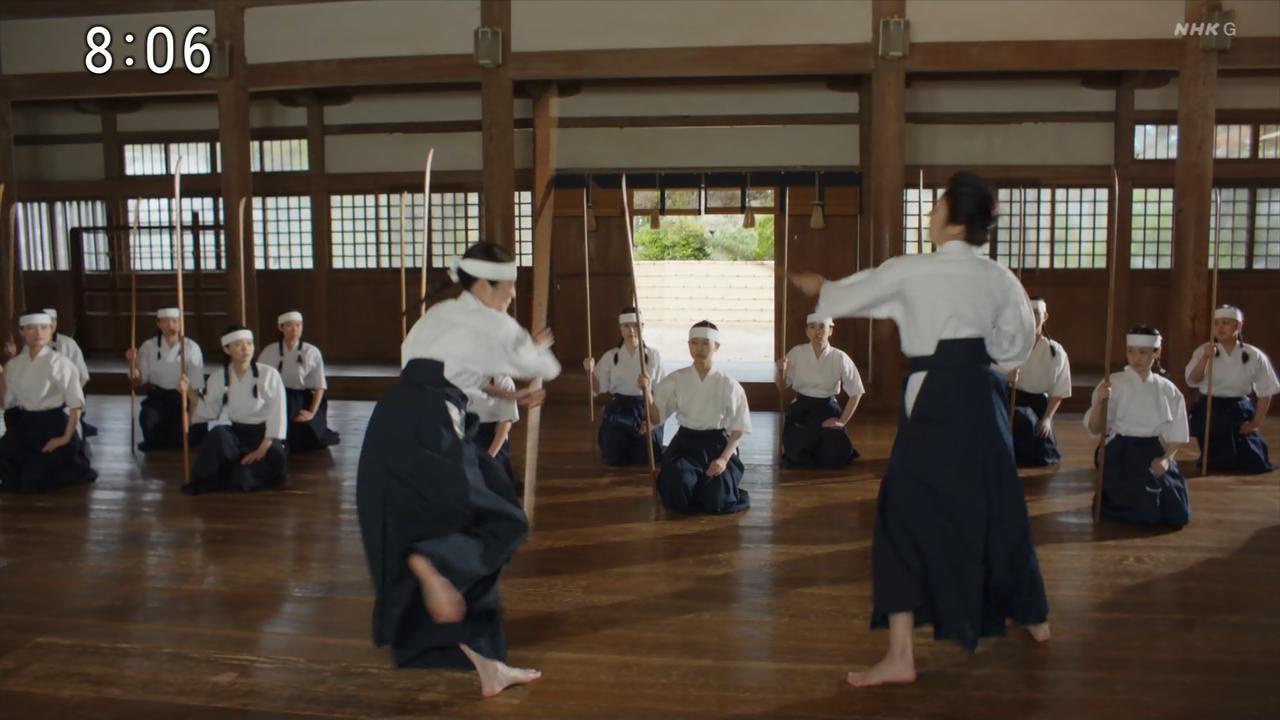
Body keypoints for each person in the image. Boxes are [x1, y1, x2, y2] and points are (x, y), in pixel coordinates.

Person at [792, 170, 1050, 687]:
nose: (931, 213)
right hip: (982, 394)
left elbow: (852, 295)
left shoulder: (912, 270)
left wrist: (823, 290)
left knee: (903, 515)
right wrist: (982, 359)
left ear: (954, 223)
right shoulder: (1001, 277)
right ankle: (1033, 616)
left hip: (933, 394)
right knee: (997, 503)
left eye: (938, 206)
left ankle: (900, 655)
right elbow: (1016, 344)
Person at [358, 242, 559, 697]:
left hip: (390, 424)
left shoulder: (437, 315)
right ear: (484, 285)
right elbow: (544, 367)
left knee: (450, 526)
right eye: (508, 288)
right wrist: (535, 347)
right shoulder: (495, 322)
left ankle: (489, 665)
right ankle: (434, 561)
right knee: (503, 520)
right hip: (433, 428)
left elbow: (441, 372)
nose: (512, 296)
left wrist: (508, 396)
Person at [640, 320, 751, 515]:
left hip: (716, 444)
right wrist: (647, 390)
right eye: (694, 343)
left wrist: (723, 459)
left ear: (716, 346)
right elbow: (656, 418)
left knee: (718, 499)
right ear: (688, 345)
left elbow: (739, 428)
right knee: (677, 486)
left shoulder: (728, 383)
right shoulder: (676, 379)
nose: (699, 349)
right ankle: (669, 477)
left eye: (705, 343)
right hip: (685, 443)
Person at [1085, 326, 1190, 527]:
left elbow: (1178, 431)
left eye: (1143, 352)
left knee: (1177, 510)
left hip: (1154, 449)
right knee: (1140, 504)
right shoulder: (1112, 383)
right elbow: (1095, 428)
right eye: (1131, 351)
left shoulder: (1167, 389)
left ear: (1157, 352)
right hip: (1121, 450)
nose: (1136, 358)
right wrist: (1099, 402)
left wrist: (1166, 460)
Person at [178, 325, 288, 495]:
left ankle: (240, 470)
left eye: (249, 343)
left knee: (242, 479)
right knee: (218, 434)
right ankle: (208, 478)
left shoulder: (269, 374)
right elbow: (210, 411)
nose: (246, 349)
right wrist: (189, 392)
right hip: (237, 435)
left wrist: (263, 447)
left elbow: (278, 413)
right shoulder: (218, 377)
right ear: (226, 349)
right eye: (239, 344)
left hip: (265, 437)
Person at [0, 311, 97, 492]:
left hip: (54, 425)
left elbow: (76, 405)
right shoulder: (14, 365)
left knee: (32, 480)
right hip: (26, 423)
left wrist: (64, 438)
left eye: (44, 328)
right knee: (6, 460)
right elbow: (8, 404)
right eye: (31, 328)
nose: (38, 333)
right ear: (22, 331)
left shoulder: (61, 363)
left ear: (51, 329)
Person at [1185, 305, 1277, 474]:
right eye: (1216, 323)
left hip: (1239, 410)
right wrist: (1205, 357)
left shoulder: (1254, 354)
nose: (1220, 328)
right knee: (1216, 462)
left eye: (1225, 323)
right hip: (1211, 409)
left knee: (1254, 461)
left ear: (1238, 326)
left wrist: (1255, 423)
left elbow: (1266, 390)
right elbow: (1193, 380)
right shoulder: (1204, 350)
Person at [776, 313, 864, 469]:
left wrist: (842, 421)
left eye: (822, 327)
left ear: (830, 331)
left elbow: (856, 390)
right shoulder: (796, 353)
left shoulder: (839, 357)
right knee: (797, 449)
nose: (817, 331)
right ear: (807, 331)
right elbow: (782, 386)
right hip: (801, 409)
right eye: (812, 327)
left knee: (834, 454)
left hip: (827, 408)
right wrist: (780, 371)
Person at [584, 307, 664, 465]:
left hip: (646, 407)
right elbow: (597, 388)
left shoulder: (653, 355)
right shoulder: (611, 356)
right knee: (614, 454)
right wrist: (589, 371)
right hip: (619, 409)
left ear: (642, 326)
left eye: (635, 325)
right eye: (626, 326)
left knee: (646, 456)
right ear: (620, 329)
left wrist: (651, 420)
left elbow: (662, 392)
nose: (631, 330)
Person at [127, 307, 208, 450]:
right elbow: (139, 381)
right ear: (158, 324)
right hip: (159, 397)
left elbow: (196, 385)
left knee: (183, 436)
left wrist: (191, 413)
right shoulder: (148, 346)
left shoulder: (191, 347)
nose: (170, 325)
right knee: (149, 421)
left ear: (181, 323)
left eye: (175, 321)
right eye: (165, 321)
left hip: (185, 396)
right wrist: (132, 364)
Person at [257, 311, 340, 450]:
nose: (295, 329)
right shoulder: (269, 351)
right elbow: (259, 380)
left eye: (298, 325)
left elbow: (320, 386)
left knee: (307, 429)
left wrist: (311, 412)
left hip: (304, 399)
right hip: (278, 397)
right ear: (281, 327)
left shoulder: (311, 351)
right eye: (289, 325)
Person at [1008, 297, 1071, 467]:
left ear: (1045, 317)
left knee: (1043, 443)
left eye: (1036, 312)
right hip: (1012, 401)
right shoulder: (1009, 346)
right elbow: (991, 376)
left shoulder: (1055, 351)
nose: (1032, 317)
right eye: (1028, 312)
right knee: (1025, 419)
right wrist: (1007, 377)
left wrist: (1047, 419)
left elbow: (1059, 390)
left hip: (1040, 404)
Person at [43, 308, 96, 438]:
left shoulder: (68, 344)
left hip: (66, 398)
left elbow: (83, 376)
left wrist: (70, 396)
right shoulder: (30, 346)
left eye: (52, 321)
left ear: (56, 323)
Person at [471, 374, 520, 498]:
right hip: (467, 434)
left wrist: (489, 457)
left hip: (492, 437)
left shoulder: (503, 381)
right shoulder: (463, 376)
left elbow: (506, 422)